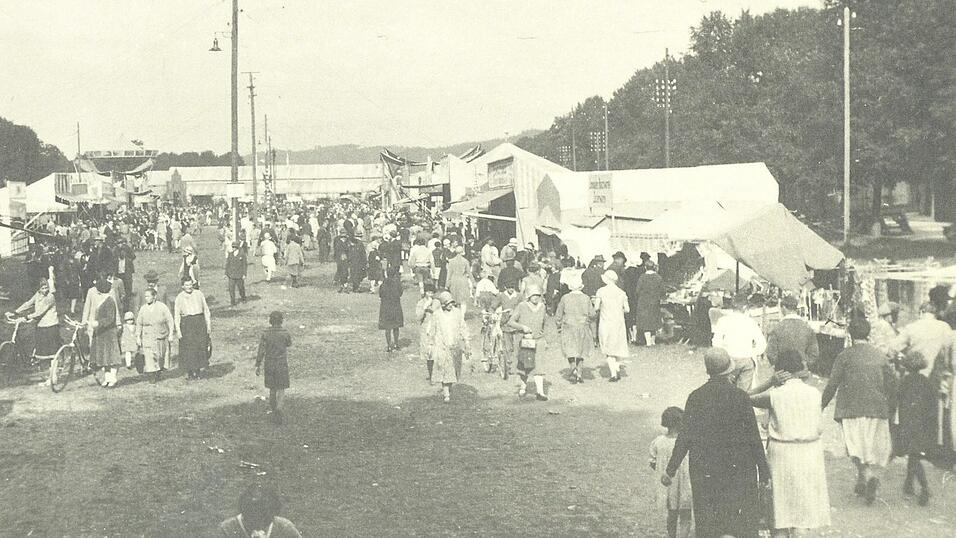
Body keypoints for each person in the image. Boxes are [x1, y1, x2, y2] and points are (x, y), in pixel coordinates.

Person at [664, 348, 770, 538]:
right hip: (738, 471)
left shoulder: (695, 397)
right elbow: (754, 438)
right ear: (729, 370)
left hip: (706, 471)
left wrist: (670, 470)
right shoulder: (740, 397)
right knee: (740, 525)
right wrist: (764, 472)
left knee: (709, 525)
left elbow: (684, 437)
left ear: (708, 371)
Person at [750, 350, 831, 536]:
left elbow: (741, 398)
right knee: (804, 510)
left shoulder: (774, 395)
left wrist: (769, 383)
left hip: (782, 453)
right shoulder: (814, 393)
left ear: (780, 370)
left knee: (781, 509)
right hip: (810, 451)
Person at [821, 318, 897, 505]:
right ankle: (864, 478)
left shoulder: (844, 356)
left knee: (854, 447)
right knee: (870, 447)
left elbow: (832, 384)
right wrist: (891, 409)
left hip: (851, 409)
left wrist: (821, 405)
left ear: (850, 334)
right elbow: (892, 385)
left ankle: (866, 475)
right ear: (868, 334)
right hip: (876, 408)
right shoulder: (880, 356)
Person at [895, 352, 936, 506]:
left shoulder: (904, 381)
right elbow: (932, 404)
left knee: (913, 453)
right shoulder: (927, 382)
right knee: (915, 454)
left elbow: (896, 397)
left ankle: (924, 487)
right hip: (924, 423)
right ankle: (908, 483)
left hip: (908, 422)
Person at [649, 407, 692, 538]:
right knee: (686, 515)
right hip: (685, 483)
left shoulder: (658, 442)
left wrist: (662, 469)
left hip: (668, 484)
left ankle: (671, 535)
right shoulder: (686, 442)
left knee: (672, 513)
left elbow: (653, 462)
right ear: (680, 423)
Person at [712, 292, 766, 391]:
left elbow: (716, 343)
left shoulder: (723, 321)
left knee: (726, 391)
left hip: (728, 360)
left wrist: (724, 353)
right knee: (743, 393)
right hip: (746, 359)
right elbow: (762, 345)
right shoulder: (751, 322)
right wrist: (752, 352)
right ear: (745, 308)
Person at [9, 280, 60, 384]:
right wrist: (15, 312)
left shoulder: (50, 297)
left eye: (46, 287)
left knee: (52, 353)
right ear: (39, 289)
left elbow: (39, 312)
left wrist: (26, 317)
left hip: (50, 326)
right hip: (41, 327)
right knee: (43, 354)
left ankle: (53, 377)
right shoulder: (37, 295)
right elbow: (29, 303)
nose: (45, 290)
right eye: (43, 288)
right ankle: (49, 377)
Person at [507, 283, 548, 401]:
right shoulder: (522, 306)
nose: (536, 297)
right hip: (524, 340)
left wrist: (545, 339)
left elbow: (545, 323)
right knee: (524, 364)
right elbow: (511, 322)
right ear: (528, 296)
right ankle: (523, 386)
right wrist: (523, 327)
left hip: (538, 340)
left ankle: (540, 392)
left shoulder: (542, 307)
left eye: (538, 295)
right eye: (533, 295)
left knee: (539, 365)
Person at [82, 275, 123, 388]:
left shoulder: (109, 301)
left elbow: (110, 318)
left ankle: (113, 378)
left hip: (109, 333)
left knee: (111, 357)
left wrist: (98, 323)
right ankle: (108, 378)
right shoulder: (103, 300)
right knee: (103, 357)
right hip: (100, 334)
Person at [430, 291, 471, 403]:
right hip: (442, 345)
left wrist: (466, 341)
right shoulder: (437, 315)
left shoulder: (457, 313)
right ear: (443, 304)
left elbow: (463, 327)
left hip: (455, 345)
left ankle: (449, 387)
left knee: (454, 369)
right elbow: (432, 330)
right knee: (445, 369)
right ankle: (446, 394)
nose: (451, 305)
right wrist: (431, 345)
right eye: (448, 304)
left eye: (452, 303)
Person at [219, 483, 302, 537]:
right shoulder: (228, 529)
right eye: (253, 519)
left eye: (265, 521)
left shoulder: (285, 528)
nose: (259, 526)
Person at [554, 271, 593, 384]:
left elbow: (559, 314)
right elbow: (592, 313)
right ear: (581, 287)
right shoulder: (586, 298)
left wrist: (558, 325)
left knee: (570, 349)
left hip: (568, 326)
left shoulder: (565, 298)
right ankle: (579, 373)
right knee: (581, 350)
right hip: (582, 326)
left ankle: (572, 368)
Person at [892, 302, 952, 376]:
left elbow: (893, 348)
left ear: (921, 312)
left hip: (915, 375)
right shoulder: (945, 327)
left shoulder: (911, 328)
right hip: (937, 376)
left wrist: (903, 360)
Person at [256, 311, 293, 425]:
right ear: (281, 320)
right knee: (281, 388)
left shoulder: (265, 334)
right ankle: (279, 408)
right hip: (281, 363)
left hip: (269, 363)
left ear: (270, 321)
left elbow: (261, 350)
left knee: (272, 389)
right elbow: (289, 344)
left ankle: (273, 409)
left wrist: (258, 364)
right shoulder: (285, 333)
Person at [766, 295, 820, 369]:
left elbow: (770, 353)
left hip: (783, 371)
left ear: (784, 307)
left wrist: (778, 365)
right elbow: (814, 353)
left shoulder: (777, 328)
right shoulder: (808, 328)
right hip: (802, 370)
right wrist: (805, 364)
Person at [594, 270, 629, 382]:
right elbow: (627, 309)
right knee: (618, 346)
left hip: (606, 322)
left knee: (608, 349)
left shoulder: (601, 291)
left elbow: (596, 307)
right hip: (618, 322)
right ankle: (617, 367)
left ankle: (613, 373)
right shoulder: (621, 293)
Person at [174, 277, 212, 380]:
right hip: (187, 324)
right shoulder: (179, 298)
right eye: (186, 285)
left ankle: (198, 371)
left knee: (200, 346)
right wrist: (178, 330)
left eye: (190, 284)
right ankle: (190, 372)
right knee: (188, 349)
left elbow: (206, 310)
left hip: (199, 322)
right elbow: (177, 315)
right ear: (182, 286)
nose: (189, 287)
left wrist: (208, 325)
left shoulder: (199, 294)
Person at [135, 287, 175, 382]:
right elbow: (139, 323)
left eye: (148, 296)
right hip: (147, 336)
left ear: (154, 296)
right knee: (149, 356)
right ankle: (151, 375)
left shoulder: (162, 307)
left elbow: (170, 320)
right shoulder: (143, 309)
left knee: (160, 356)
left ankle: (158, 371)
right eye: (145, 296)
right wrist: (138, 336)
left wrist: (171, 334)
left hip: (160, 335)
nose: (146, 298)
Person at [635, 261, 665, 346]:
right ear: (654, 267)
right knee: (654, 320)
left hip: (644, 302)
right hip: (655, 302)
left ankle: (648, 342)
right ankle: (653, 341)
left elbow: (637, 290)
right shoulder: (658, 277)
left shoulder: (642, 277)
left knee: (646, 322)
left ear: (645, 267)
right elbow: (663, 290)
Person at [416, 282, 441, 382]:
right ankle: (431, 376)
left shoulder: (437, 302)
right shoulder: (421, 303)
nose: (430, 294)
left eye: (432, 293)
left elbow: (440, 314)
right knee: (429, 354)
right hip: (426, 330)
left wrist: (433, 309)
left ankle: (438, 374)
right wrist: (425, 307)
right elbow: (418, 317)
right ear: (425, 292)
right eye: (428, 292)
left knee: (438, 353)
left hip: (437, 330)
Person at [378, 266, 404, 352]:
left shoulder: (383, 284)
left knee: (387, 328)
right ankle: (396, 344)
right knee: (396, 327)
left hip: (385, 308)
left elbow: (380, 295)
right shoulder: (397, 283)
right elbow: (400, 293)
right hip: (395, 307)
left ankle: (389, 345)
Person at [445, 246, 472, 317]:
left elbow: (449, 273)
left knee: (454, 298)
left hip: (454, 280)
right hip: (463, 280)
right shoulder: (465, 261)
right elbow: (469, 272)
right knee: (463, 299)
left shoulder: (451, 261)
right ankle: (462, 316)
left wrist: (447, 283)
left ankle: (455, 315)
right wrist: (473, 282)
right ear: (462, 252)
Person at [225, 241, 248, 306]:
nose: (233, 248)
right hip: (231, 275)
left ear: (238, 247)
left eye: (235, 247)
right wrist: (226, 273)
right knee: (231, 289)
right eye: (232, 247)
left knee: (241, 288)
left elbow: (244, 265)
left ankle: (243, 298)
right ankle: (233, 302)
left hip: (239, 275)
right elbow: (227, 264)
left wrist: (244, 274)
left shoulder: (242, 255)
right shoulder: (230, 254)